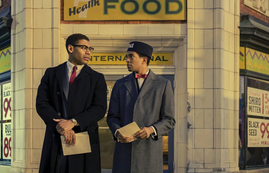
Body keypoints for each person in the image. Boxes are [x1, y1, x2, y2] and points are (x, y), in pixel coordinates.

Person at [36, 33, 107, 173]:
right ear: (70, 48)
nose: (88, 52)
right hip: (56, 137)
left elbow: (99, 108)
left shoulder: (96, 78)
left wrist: (73, 122)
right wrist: (60, 125)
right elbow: (42, 103)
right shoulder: (51, 74)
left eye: (90, 48)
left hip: (84, 139)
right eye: (83, 47)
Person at [107, 41, 176, 173]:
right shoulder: (120, 84)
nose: (127, 60)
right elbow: (112, 117)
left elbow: (169, 119)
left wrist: (151, 129)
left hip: (149, 155)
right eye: (126, 56)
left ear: (144, 59)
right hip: (124, 154)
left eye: (131, 56)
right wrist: (117, 132)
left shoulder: (163, 84)